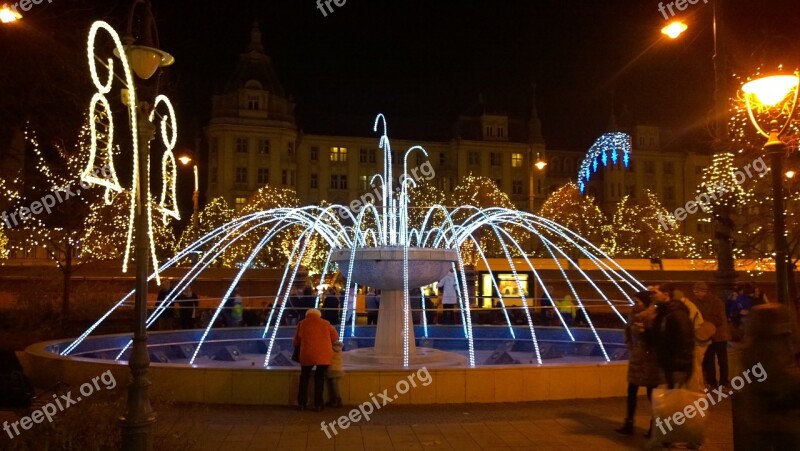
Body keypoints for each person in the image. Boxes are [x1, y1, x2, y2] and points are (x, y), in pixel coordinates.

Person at [615, 289, 663, 437]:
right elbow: (628, 330)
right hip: (637, 357)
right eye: (634, 301)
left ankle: (655, 426)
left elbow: (656, 338)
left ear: (646, 303)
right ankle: (629, 422)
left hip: (650, 359)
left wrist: (644, 332)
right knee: (632, 390)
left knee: (651, 393)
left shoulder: (653, 316)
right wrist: (630, 344)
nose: (634, 304)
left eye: (637, 301)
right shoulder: (632, 314)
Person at [649, 283, 694, 388]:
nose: (652, 296)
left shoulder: (677, 314)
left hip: (676, 367)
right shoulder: (662, 314)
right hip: (667, 365)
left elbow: (685, 341)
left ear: (665, 294)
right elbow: (656, 339)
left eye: (654, 293)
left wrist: (680, 367)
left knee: (676, 399)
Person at [293, 308, 338, 411]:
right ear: (319, 315)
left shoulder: (302, 324)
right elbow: (335, 337)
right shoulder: (326, 323)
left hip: (307, 354)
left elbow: (296, 341)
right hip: (323, 355)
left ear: (307, 315)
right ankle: (318, 404)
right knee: (320, 378)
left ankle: (302, 404)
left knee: (304, 378)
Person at [693, 281, 731, 389]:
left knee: (722, 359)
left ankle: (724, 382)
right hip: (706, 335)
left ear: (705, 291)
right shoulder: (695, 302)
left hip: (719, 335)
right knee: (709, 360)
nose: (697, 294)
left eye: (699, 291)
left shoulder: (716, 302)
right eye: (695, 292)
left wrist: (703, 321)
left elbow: (719, 319)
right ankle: (712, 382)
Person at [674, 288, 710, 392]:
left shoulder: (688, 308)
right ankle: (700, 390)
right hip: (700, 340)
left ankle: (697, 392)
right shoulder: (690, 305)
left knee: (695, 368)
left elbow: (687, 325)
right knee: (697, 367)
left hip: (697, 341)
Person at [326, 341, 344, 407]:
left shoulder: (330, 349)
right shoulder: (339, 349)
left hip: (332, 369)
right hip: (338, 369)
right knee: (335, 386)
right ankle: (338, 400)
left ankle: (335, 401)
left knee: (333, 387)